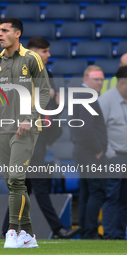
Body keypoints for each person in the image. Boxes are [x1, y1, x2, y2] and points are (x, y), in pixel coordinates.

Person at [0, 36, 80, 239]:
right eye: (45, 51)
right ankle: (57, 229)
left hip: (40, 139)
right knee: (40, 186)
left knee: (24, 186)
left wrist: (55, 104)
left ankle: (6, 231)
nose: (48, 55)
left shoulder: (48, 74)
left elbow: (48, 111)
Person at [0, 17, 50, 248]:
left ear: (17, 34)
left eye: (4, 30)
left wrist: (30, 118)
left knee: (17, 179)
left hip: (26, 130)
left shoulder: (32, 60)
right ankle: (28, 235)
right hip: (2, 129)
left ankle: (12, 231)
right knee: (13, 184)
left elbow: (44, 92)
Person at [71, 65, 107, 239]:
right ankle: (90, 231)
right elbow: (86, 127)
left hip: (82, 151)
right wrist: (98, 150)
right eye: (96, 79)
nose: (100, 82)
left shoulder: (81, 95)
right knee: (97, 191)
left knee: (87, 191)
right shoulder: (87, 96)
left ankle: (86, 230)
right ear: (86, 79)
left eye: (101, 79)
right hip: (90, 152)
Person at [99, 65, 127, 239]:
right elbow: (98, 129)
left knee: (124, 198)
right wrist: (109, 153)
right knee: (112, 196)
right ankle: (110, 235)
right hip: (114, 157)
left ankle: (119, 234)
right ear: (123, 83)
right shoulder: (106, 100)